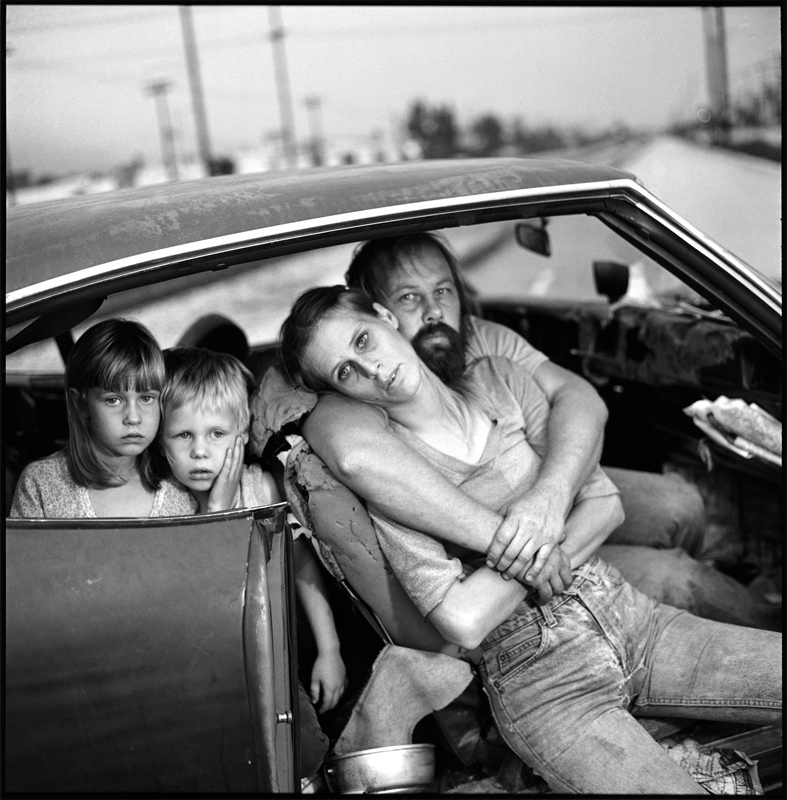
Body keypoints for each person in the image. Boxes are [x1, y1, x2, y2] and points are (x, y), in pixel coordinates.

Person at [279, 285, 781, 794]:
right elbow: (463, 619)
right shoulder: (392, 478)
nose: (370, 369)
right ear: (342, 394)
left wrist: (543, 509)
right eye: (346, 372)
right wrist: (543, 553)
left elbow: (607, 506)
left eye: (364, 340)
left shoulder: (501, 379)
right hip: (539, 676)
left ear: (386, 316)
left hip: (632, 614)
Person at [302, 233, 777, 628]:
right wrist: (535, 547)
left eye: (443, 291)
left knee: (682, 504)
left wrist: (552, 496)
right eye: (409, 297)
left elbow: (580, 399)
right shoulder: (358, 383)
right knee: (678, 579)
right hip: (503, 558)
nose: (433, 311)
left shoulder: (485, 340)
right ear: (377, 309)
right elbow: (351, 452)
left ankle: (688, 612)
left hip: (552, 496)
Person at [159, 347, 347, 775]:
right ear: (161, 440)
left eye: (217, 434)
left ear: (242, 433)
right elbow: (194, 594)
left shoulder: (262, 489)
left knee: (304, 754)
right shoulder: (164, 502)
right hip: (203, 672)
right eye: (183, 436)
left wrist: (329, 649)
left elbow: (300, 566)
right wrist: (218, 510)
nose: (201, 452)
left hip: (272, 658)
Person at [10, 318, 197, 519]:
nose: (133, 418)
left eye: (146, 398)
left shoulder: (181, 483)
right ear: (81, 404)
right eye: (114, 400)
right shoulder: (42, 484)